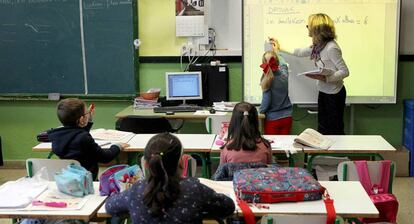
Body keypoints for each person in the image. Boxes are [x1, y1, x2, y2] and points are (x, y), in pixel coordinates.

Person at [106, 133, 235, 224]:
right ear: (182, 162)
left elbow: (110, 206)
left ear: (145, 164)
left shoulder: (136, 190)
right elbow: (228, 207)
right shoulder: (194, 189)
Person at [271, 13, 349, 134]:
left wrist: (326, 78)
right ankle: (323, 152)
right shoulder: (317, 46)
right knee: (323, 128)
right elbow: (299, 52)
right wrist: (280, 48)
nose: (307, 28)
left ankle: (337, 153)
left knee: (335, 128)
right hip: (323, 91)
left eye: (309, 26)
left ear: (317, 28)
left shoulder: (331, 48)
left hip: (334, 93)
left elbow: (345, 71)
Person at [48, 98, 128, 180]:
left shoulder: (57, 136)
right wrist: (117, 146)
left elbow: (76, 134)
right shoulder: (84, 138)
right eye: (87, 113)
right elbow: (105, 157)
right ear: (82, 119)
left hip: (68, 179)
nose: (88, 113)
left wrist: (88, 119)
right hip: (87, 181)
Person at [259, 50, 293, 135]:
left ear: (264, 64)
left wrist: (261, 111)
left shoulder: (267, 81)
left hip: (273, 120)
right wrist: (277, 51)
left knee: (273, 147)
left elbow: (266, 101)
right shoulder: (284, 75)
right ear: (277, 61)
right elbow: (284, 64)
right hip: (287, 118)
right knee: (284, 145)